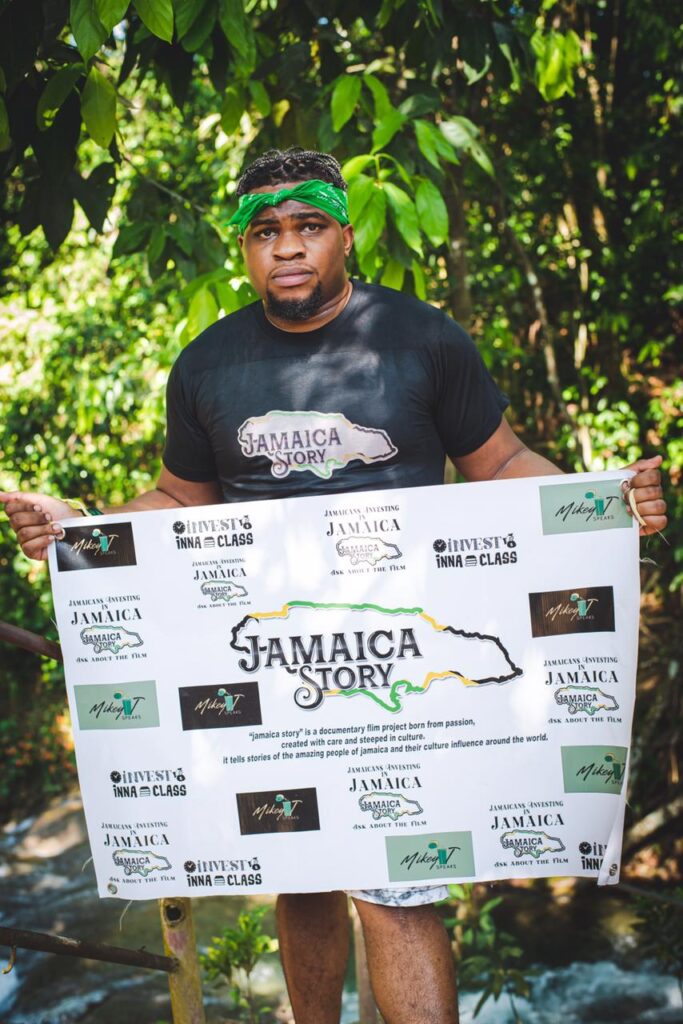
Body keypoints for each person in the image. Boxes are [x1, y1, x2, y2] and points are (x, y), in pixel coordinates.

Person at [0, 148, 667, 1024]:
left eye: (308, 226)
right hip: (273, 668)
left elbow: (498, 463)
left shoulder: (422, 337)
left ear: (344, 234)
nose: (286, 246)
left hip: (398, 654)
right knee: (300, 877)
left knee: (395, 887)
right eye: (265, 231)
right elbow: (177, 500)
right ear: (244, 248)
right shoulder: (205, 365)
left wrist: (604, 502)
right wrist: (77, 527)